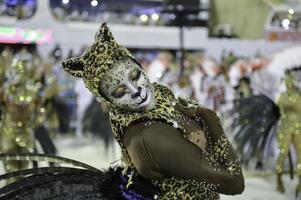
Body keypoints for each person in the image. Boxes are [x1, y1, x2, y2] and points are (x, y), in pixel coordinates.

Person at [0, 23, 244, 199]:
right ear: (108, 100)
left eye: (135, 75)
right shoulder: (151, 135)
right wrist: (210, 119)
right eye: (119, 91)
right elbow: (234, 182)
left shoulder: (159, 96)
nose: (136, 90)